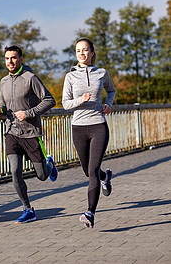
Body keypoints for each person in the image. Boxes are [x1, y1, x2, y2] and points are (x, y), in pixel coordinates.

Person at [0, 45, 58, 224]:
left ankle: (49, 165)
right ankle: (28, 209)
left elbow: (50, 100)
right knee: (15, 171)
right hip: (11, 132)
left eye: (13, 58)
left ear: (21, 59)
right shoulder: (3, 82)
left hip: (30, 132)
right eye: (7, 58)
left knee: (42, 176)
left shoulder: (31, 78)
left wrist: (28, 113)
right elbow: (4, 106)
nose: (10, 62)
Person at [62, 37, 116, 228]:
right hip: (78, 128)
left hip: (98, 126)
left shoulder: (101, 73)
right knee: (87, 171)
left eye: (85, 50)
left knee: (92, 170)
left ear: (92, 53)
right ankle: (105, 177)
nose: (81, 53)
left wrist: (108, 104)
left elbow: (111, 91)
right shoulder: (70, 76)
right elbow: (65, 103)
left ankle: (90, 213)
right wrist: (80, 100)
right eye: (78, 51)